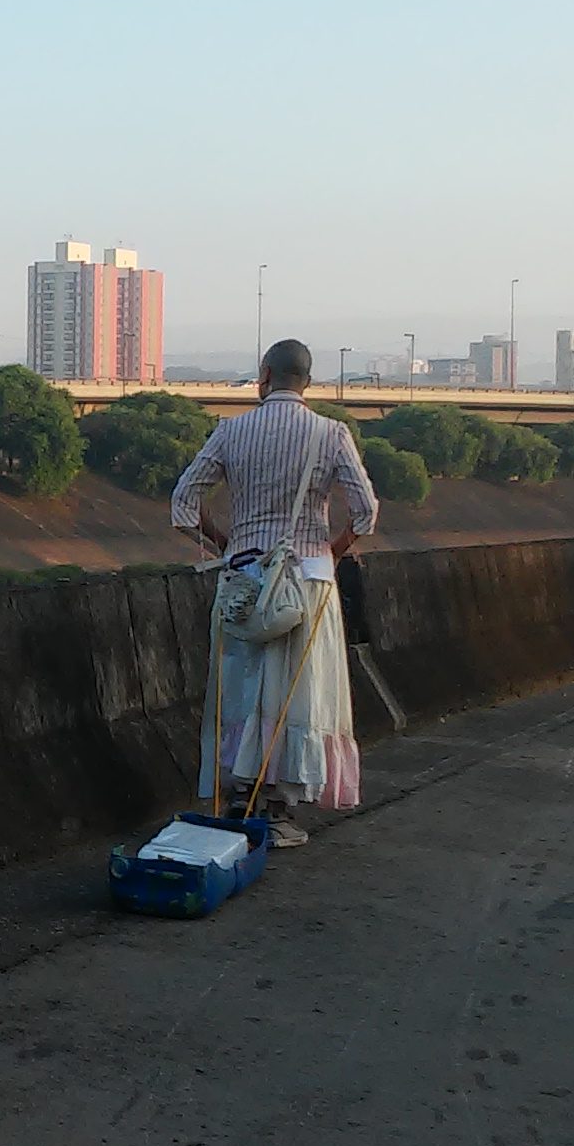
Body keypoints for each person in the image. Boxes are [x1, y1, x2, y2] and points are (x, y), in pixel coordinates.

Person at [168, 339, 379, 847]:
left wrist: (225, 543)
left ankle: (240, 799)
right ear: (308, 380)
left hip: (244, 577)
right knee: (298, 693)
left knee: (241, 689)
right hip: (307, 580)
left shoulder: (231, 431)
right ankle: (280, 810)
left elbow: (183, 503)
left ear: (263, 375)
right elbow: (366, 512)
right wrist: (330, 552)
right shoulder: (331, 433)